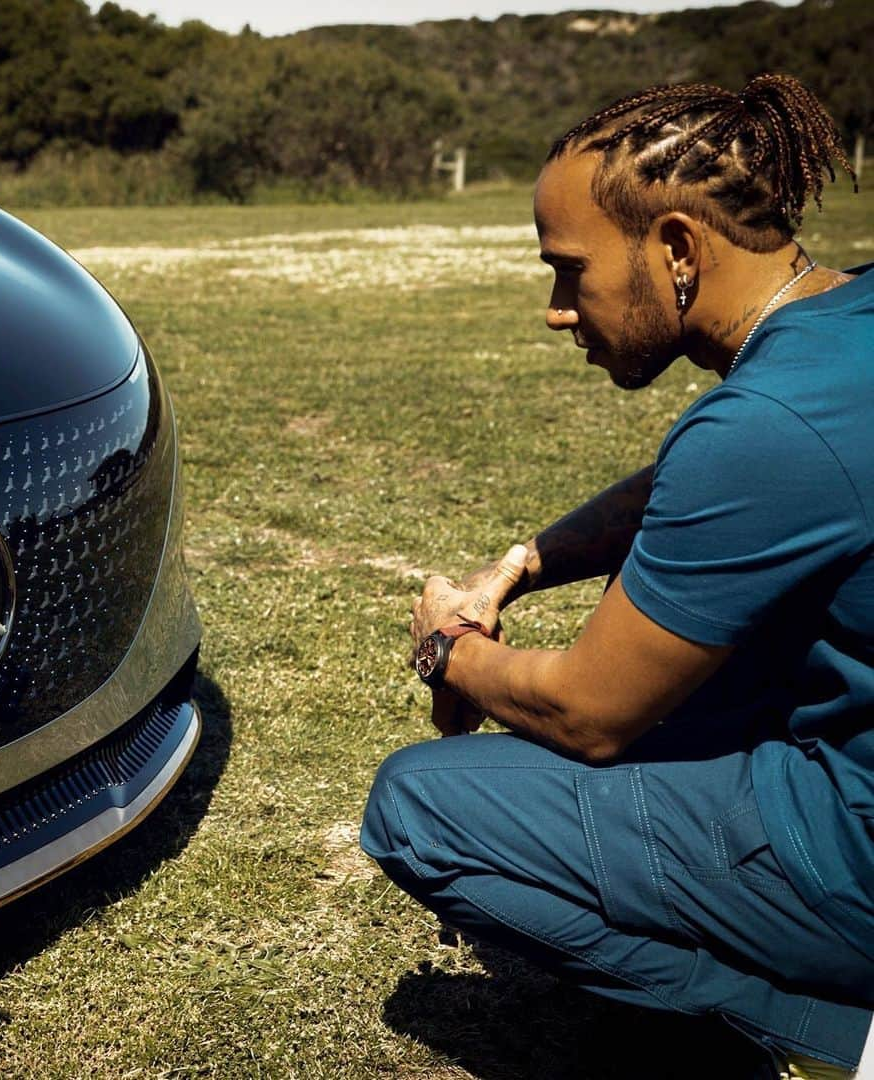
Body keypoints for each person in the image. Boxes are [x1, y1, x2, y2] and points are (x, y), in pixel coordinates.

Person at [360, 73, 873, 1080]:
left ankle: (844, 1042)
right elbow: (676, 493)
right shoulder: (841, 326)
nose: (558, 312)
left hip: (855, 846)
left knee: (418, 810)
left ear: (678, 249)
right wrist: (524, 564)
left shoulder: (761, 430)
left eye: (570, 272)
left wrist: (448, 649)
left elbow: (588, 716)